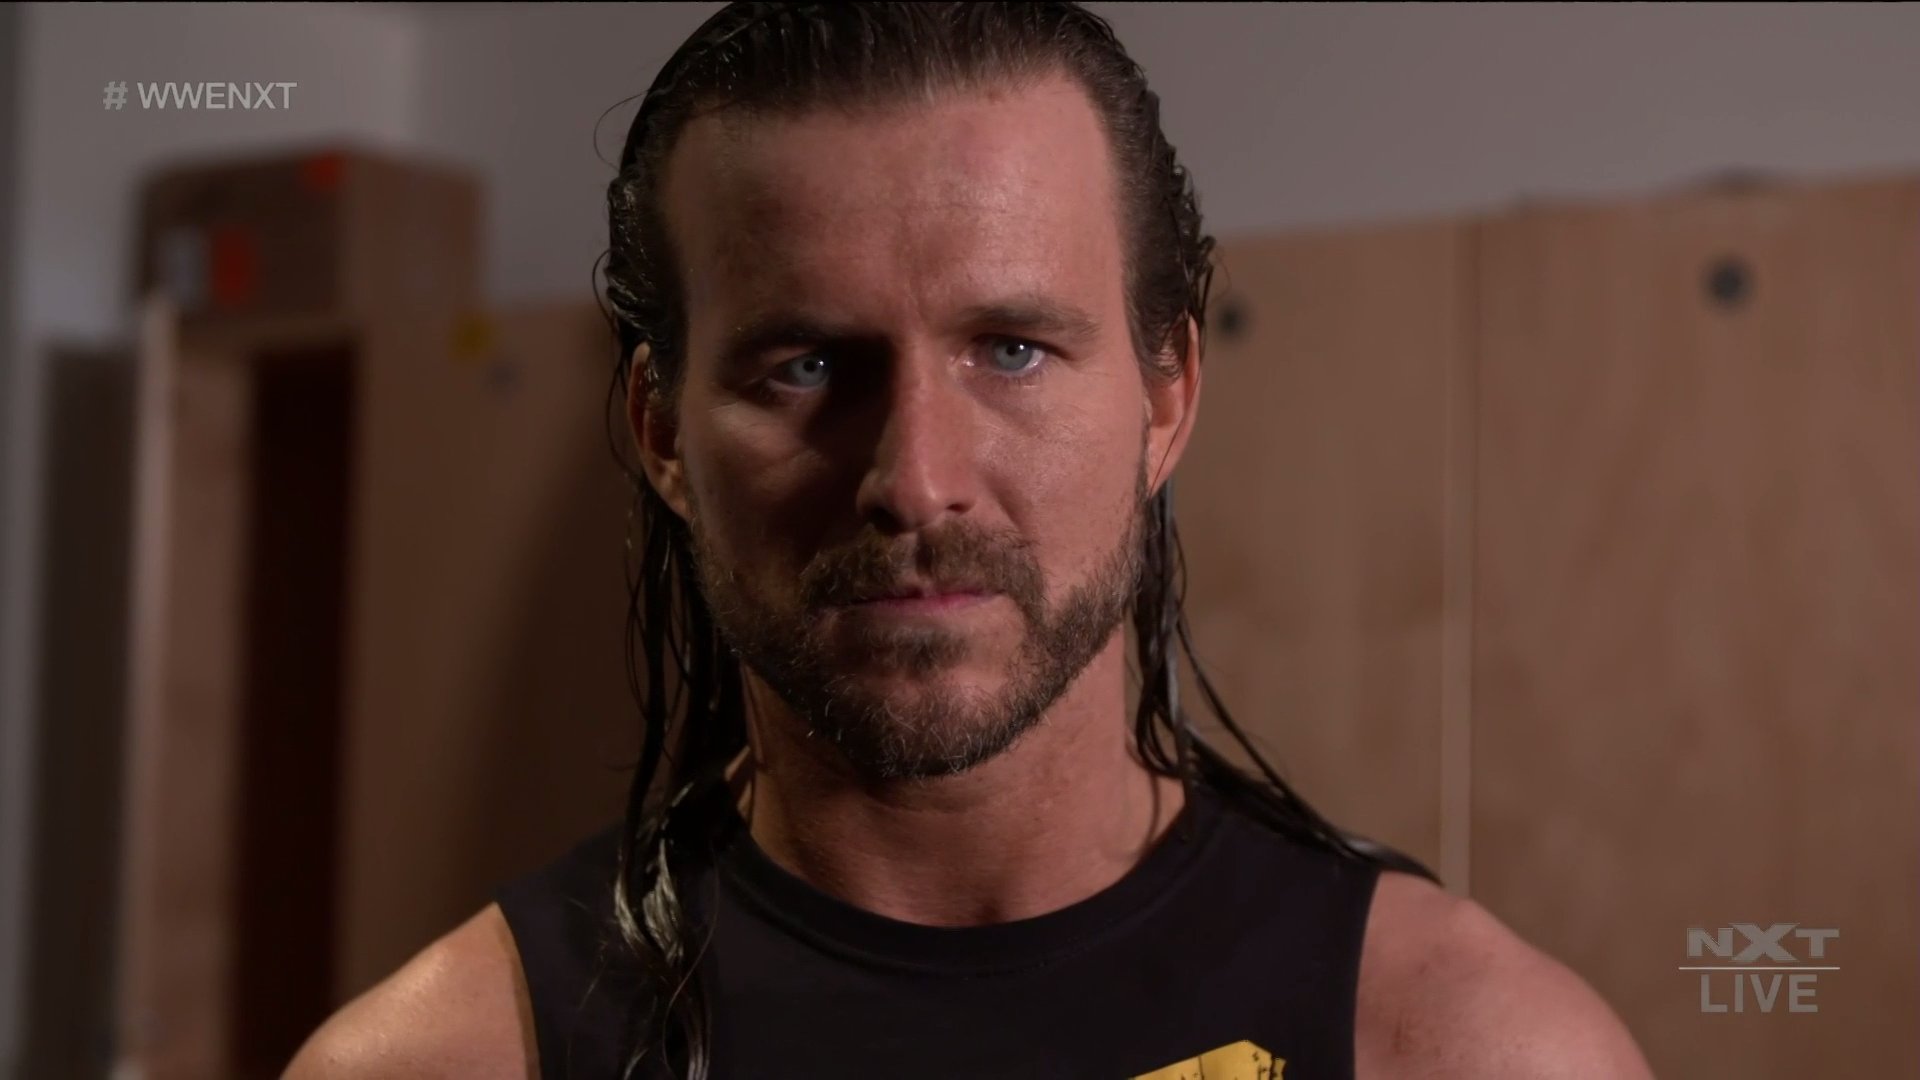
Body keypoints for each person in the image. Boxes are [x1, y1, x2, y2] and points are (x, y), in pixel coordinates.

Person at [287, 4, 1654, 1077]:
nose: (916, 482)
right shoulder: (446, 1062)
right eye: (808, 367)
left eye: (1011, 349)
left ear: (1166, 398)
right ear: (660, 435)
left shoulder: (1465, 1046)